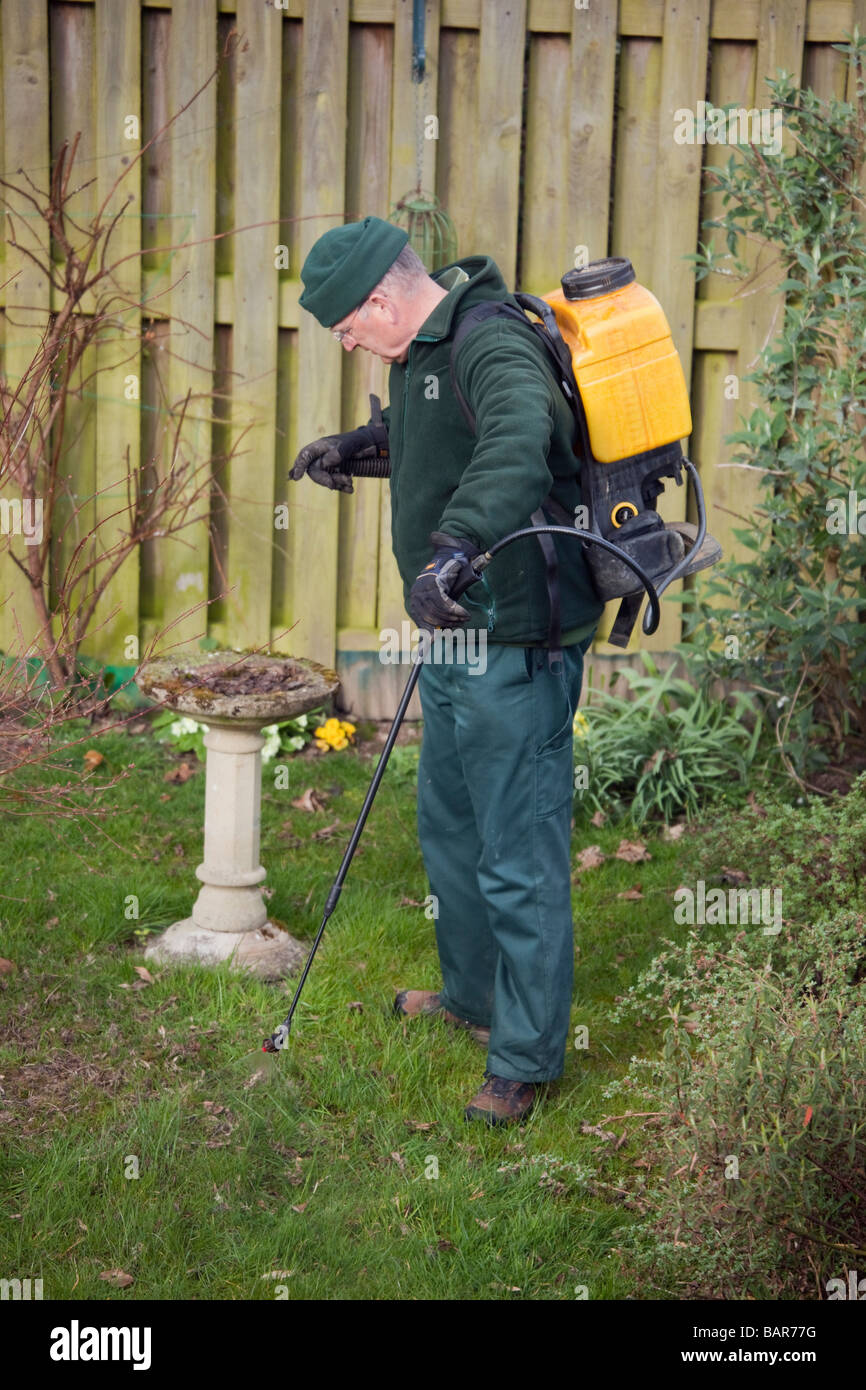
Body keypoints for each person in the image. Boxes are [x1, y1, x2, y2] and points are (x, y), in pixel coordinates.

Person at [292, 215, 604, 1125]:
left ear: (382, 298)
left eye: (348, 327)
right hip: (462, 631)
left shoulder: (492, 339)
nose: (350, 342)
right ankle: (472, 1000)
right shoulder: (418, 352)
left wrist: (453, 550)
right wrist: (360, 448)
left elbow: (515, 442)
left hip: (517, 635)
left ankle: (527, 1059)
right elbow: (443, 445)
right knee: (454, 831)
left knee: (518, 852)